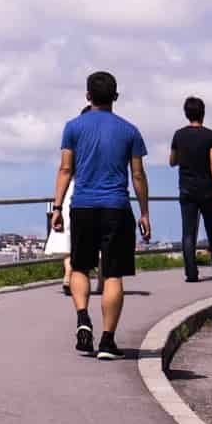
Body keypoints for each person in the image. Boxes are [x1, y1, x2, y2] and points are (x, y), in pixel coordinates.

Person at [51, 71, 151, 359]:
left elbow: (65, 170)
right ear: (115, 97)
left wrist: (57, 208)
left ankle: (83, 319)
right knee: (113, 274)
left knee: (80, 268)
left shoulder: (73, 127)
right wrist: (144, 213)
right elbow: (138, 175)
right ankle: (107, 341)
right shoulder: (130, 131)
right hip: (117, 208)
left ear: (87, 96)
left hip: (82, 206)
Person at [170, 96, 212, 282]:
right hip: (207, 190)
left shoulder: (178, 135)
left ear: (186, 114)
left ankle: (191, 274)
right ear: (203, 113)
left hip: (186, 190)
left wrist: (182, 157)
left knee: (188, 233)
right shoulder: (211, 136)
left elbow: (172, 161)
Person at [46, 105, 90, 306]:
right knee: (90, 237)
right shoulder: (99, 142)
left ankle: (67, 275)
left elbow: (65, 168)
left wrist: (57, 204)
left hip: (71, 189)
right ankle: (97, 281)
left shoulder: (74, 136)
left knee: (67, 236)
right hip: (91, 190)